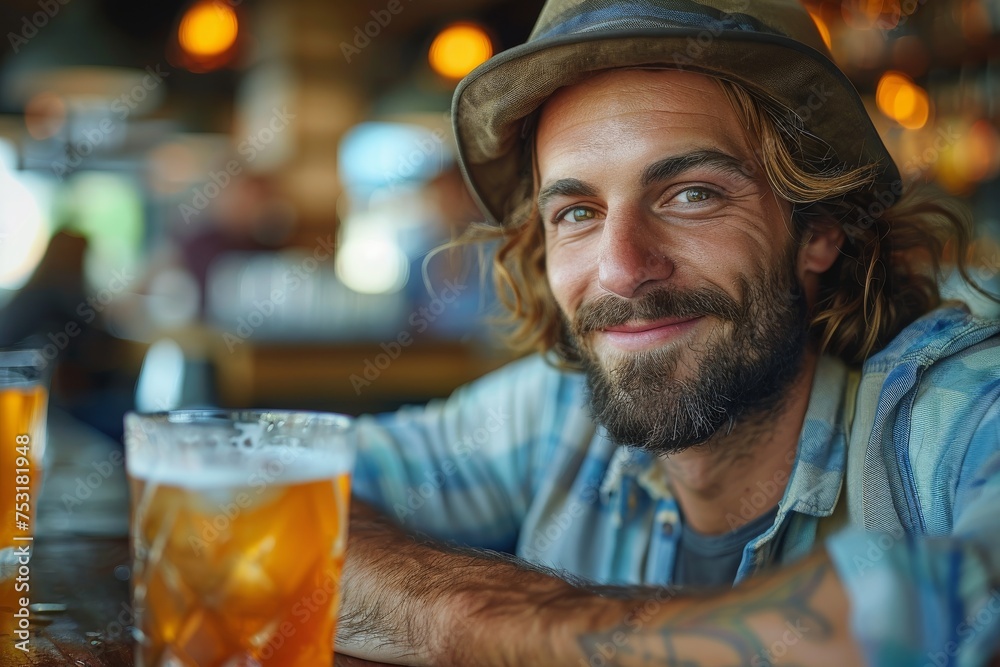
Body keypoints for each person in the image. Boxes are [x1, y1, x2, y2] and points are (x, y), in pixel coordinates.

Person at [334, 1, 1000, 665]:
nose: (622, 269)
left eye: (692, 194)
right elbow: (267, 491)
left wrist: (520, 629)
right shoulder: (553, 414)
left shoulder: (953, 421)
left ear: (819, 227)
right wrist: (470, 614)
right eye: (577, 211)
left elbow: (951, 611)